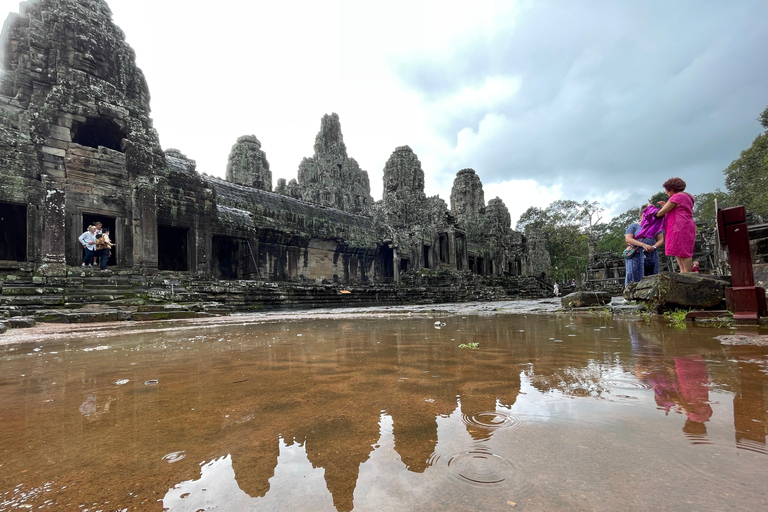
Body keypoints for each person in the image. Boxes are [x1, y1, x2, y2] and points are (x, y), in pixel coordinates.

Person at [655, 177, 696, 273]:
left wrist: (651, 209)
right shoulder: (688, 196)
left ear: (672, 189)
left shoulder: (677, 197)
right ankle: (683, 273)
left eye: (666, 191)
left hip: (679, 226)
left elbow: (660, 213)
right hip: (683, 225)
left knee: (684, 252)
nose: (666, 193)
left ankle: (687, 275)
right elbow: (677, 209)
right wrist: (666, 206)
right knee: (678, 250)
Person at [624, 207, 664, 285]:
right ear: (641, 215)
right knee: (633, 274)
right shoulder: (634, 226)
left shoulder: (656, 226)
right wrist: (643, 245)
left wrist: (654, 247)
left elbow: (660, 239)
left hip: (651, 253)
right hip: (636, 253)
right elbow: (628, 238)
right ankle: (631, 293)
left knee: (652, 274)